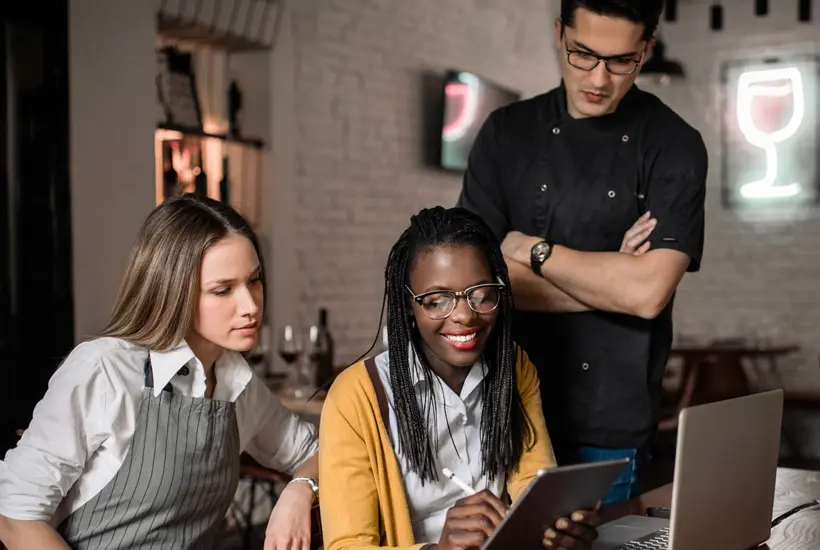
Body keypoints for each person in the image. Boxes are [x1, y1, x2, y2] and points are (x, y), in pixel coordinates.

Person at [457, 0, 707, 506]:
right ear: (559, 34)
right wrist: (609, 276)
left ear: (647, 50)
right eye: (583, 55)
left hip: (607, 426)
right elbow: (474, 284)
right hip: (499, 413)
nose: (599, 78)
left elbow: (647, 293)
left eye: (621, 62)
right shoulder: (505, 133)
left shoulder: (675, 145)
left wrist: (532, 250)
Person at [0, 194, 319, 550]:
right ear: (173, 291)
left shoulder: (238, 384)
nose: (250, 306)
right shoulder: (104, 370)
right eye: (223, 290)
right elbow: (16, 517)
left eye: (255, 280)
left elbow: (320, 452)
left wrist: (300, 490)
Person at [319, 206, 600, 550]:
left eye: (481, 294)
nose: (465, 316)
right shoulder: (357, 396)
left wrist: (554, 526)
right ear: (408, 304)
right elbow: (346, 546)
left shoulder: (514, 365)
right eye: (437, 301)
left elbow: (532, 479)